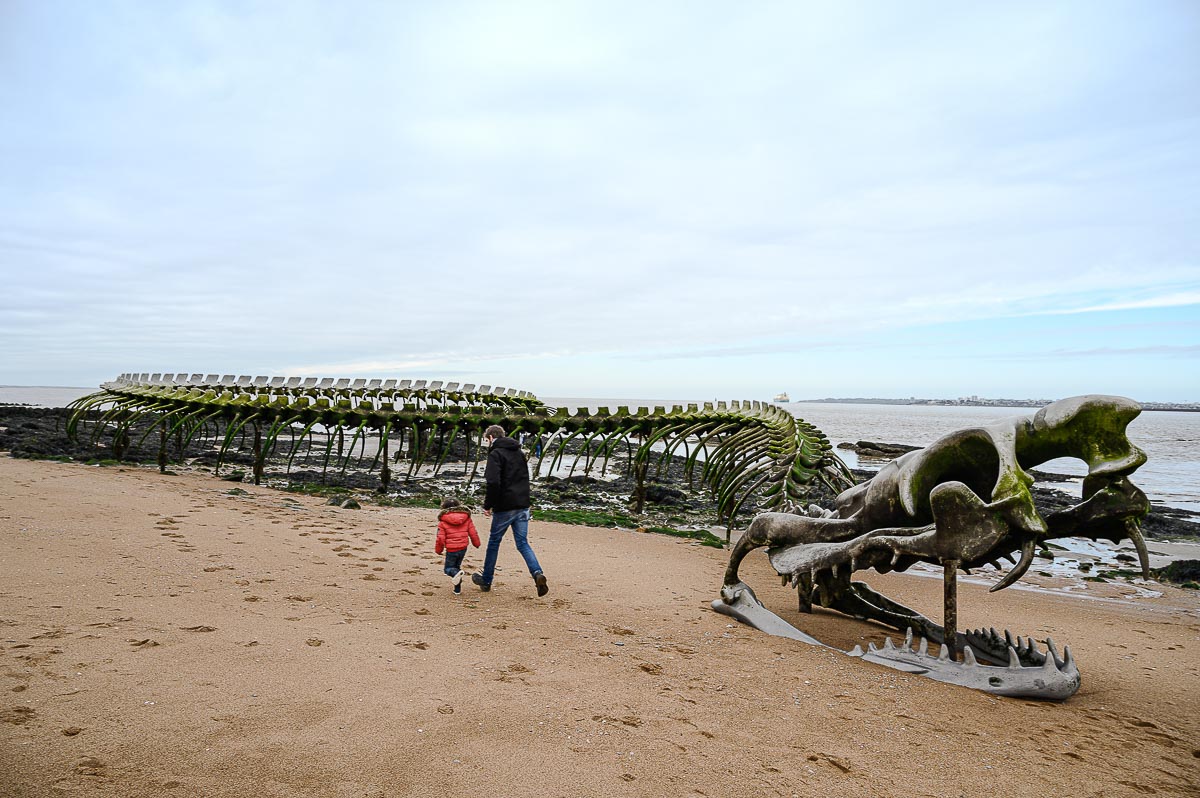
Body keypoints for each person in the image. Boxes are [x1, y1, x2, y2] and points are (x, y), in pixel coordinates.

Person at [472, 424, 549, 596]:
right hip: (522, 505)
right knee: (522, 543)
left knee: (494, 543)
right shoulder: (519, 452)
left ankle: (486, 580)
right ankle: (537, 573)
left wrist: (488, 505)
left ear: (491, 437)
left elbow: (493, 482)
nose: (487, 443)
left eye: (486, 440)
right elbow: (524, 478)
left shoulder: (496, 454)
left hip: (505, 507)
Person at [435, 497, 480, 594]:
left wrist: (439, 550)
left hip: (451, 549)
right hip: (463, 548)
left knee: (448, 569)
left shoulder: (443, 521)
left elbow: (440, 538)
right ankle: (457, 590)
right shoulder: (466, 518)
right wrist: (476, 543)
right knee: (457, 567)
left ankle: (456, 574)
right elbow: (473, 533)